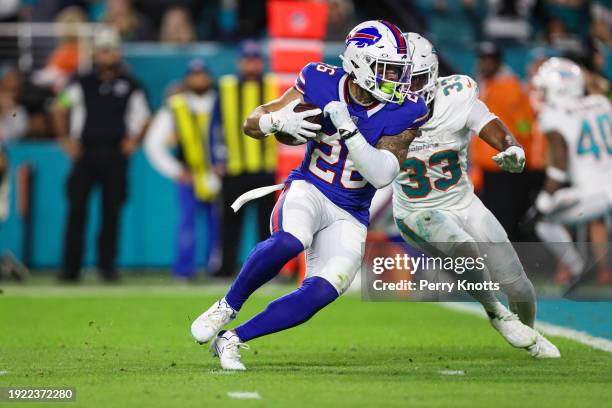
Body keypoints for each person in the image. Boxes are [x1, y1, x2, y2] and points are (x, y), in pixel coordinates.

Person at [190, 20, 428, 370]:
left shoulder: (406, 109)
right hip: (310, 188)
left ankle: (232, 339)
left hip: (352, 211)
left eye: (398, 70)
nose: (395, 79)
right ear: (360, 63)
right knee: (291, 241)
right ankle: (226, 305)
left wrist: (347, 128)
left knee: (323, 291)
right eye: (387, 69)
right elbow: (253, 122)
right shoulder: (320, 79)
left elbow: (381, 174)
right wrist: (275, 123)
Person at [392, 33, 559, 358]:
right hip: (416, 212)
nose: (410, 89)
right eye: (403, 79)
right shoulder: (379, 109)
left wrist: (513, 149)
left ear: (433, 75)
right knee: (463, 245)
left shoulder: (457, 95)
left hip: (463, 202)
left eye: (417, 80)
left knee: (518, 284)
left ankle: (529, 336)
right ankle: (496, 312)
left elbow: (490, 123)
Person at [52, 28, 150, 282]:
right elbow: (59, 107)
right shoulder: (80, 81)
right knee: (76, 211)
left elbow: (145, 116)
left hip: (115, 155)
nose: (107, 54)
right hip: (86, 153)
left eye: (111, 49)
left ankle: (107, 267)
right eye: (103, 49)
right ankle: (70, 269)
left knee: (112, 213)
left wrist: (134, 141)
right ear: (95, 52)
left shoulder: (131, 84)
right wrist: (65, 138)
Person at [529, 57, 612, 291]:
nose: (542, 93)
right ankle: (580, 269)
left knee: (544, 220)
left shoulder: (554, 114)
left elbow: (558, 164)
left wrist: (542, 202)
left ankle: (576, 267)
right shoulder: (600, 103)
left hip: (594, 193)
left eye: (545, 87)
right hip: (603, 186)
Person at [144, 59, 222, 280]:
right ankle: (184, 269)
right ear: (188, 79)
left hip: (218, 173)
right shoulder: (176, 105)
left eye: (202, 74)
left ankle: (217, 268)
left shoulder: (222, 102)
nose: (199, 79)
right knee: (187, 224)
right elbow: (153, 143)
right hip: (190, 175)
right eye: (194, 75)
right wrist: (176, 170)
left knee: (219, 225)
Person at [214, 41, 280, 277]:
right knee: (230, 223)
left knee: (267, 224)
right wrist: (216, 158)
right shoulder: (226, 87)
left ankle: (265, 271)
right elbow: (215, 126)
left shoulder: (274, 86)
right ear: (240, 62)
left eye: (255, 59)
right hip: (234, 167)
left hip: (266, 167)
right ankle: (226, 269)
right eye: (247, 59)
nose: (251, 64)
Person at [469, 42, 544, 241]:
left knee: (505, 220)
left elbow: (524, 126)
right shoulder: (488, 84)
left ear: (498, 62)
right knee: (491, 218)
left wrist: (517, 151)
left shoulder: (508, 86)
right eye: (482, 59)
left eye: (489, 60)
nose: (484, 64)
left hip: (505, 166)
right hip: (489, 166)